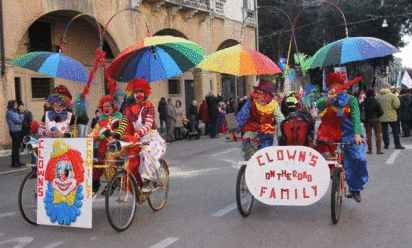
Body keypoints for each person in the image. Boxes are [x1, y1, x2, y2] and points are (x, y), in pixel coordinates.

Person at [315, 72, 368, 203]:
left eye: (337, 85)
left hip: (349, 134)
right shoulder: (326, 100)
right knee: (323, 159)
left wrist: (357, 134)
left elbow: (356, 118)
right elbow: (319, 104)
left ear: (343, 86)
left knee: (358, 159)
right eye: (332, 86)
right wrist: (328, 98)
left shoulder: (352, 100)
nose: (334, 88)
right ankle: (333, 176)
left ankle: (355, 188)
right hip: (329, 134)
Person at [114, 78, 166, 193]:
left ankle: (148, 180)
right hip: (138, 138)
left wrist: (140, 132)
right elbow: (124, 122)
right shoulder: (129, 108)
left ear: (145, 93)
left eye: (141, 92)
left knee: (144, 153)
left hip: (151, 137)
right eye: (136, 92)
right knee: (127, 156)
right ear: (132, 93)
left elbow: (148, 123)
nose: (139, 94)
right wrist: (118, 133)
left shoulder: (149, 106)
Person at [88, 95, 122, 194]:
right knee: (95, 159)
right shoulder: (101, 121)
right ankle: (95, 182)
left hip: (115, 145)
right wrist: (89, 136)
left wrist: (112, 136)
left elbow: (121, 132)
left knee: (109, 159)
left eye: (109, 107)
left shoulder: (118, 119)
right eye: (104, 107)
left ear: (113, 107)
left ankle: (112, 181)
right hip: (103, 146)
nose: (107, 109)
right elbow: (95, 131)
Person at [236, 80, 284, 150]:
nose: (258, 95)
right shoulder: (252, 101)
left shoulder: (274, 104)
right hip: (251, 131)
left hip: (267, 133)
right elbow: (242, 116)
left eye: (261, 93)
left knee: (264, 155)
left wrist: (285, 130)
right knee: (249, 151)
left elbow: (280, 119)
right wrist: (234, 131)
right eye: (258, 92)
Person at [376, 82, 405, 149]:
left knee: (384, 131)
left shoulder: (377, 96)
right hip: (392, 116)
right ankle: (397, 144)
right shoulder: (392, 95)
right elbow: (397, 105)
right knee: (395, 131)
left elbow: (376, 105)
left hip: (382, 116)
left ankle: (386, 145)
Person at [360, 89, 384, 154]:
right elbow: (381, 112)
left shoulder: (363, 103)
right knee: (378, 135)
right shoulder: (376, 102)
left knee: (368, 135)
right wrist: (377, 116)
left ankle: (369, 150)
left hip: (367, 120)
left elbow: (360, 112)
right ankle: (379, 150)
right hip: (376, 120)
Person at [6, 100, 24, 167]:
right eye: (15, 104)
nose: (17, 105)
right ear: (12, 105)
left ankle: (17, 161)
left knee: (17, 147)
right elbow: (19, 121)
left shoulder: (14, 111)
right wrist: (21, 114)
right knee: (15, 147)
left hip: (18, 130)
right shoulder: (10, 112)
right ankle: (14, 163)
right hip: (14, 131)